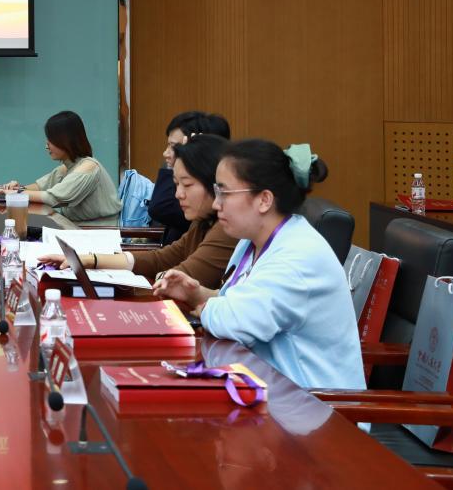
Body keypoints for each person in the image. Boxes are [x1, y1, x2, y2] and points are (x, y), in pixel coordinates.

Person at [152, 139, 364, 390]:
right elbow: (237, 302)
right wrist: (195, 293)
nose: (216, 203)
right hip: (267, 385)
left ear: (264, 200)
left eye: (224, 192)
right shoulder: (251, 241)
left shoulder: (298, 257)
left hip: (314, 403)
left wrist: (207, 307)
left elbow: (235, 321)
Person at [38, 134, 238, 288]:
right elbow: (162, 258)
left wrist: (158, 277)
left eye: (187, 185)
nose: (178, 194)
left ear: (215, 184)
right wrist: (90, 260)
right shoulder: (203, 220)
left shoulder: (226, 227)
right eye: (176, 184)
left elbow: (179, 279)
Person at [0, 110, 122, 227]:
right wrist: (18, 188)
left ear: (66, 140)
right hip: (76, 227)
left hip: (98, 231)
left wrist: (16, 194)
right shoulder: (69, 166)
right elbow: (41, 187)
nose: (47, 146)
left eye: (51, 140)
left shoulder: (88, 167)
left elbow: (52, 198)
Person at [149, 111, 231, 244]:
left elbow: (160, 208)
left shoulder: (222, 223)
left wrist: (185, 157)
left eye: (174, 147)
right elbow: (171, 254)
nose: (166, 153)